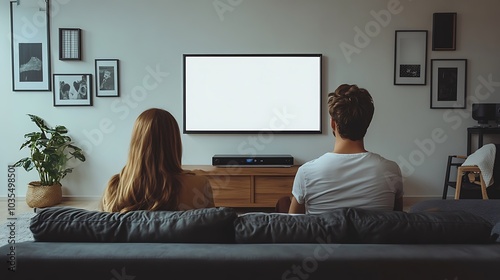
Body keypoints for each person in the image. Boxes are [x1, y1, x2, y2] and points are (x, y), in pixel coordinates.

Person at [288, 84, 403, 214]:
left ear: (332, 123)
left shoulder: (306, 173)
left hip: (326, 235)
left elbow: (294, 228)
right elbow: (398, 222)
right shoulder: (391, 170)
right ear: (367, 123)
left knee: (284, 202)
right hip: (373, 235)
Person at [101, 108, 215, 212]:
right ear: (174, 143)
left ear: (136, 143)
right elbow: (211, 229)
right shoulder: (199, 186)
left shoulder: (114, 187)